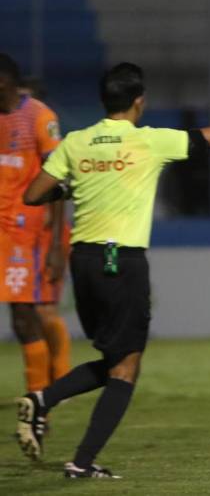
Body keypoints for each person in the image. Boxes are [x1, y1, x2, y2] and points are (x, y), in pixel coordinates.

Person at [14, 62, 210, 477]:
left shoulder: (77, 142)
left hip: (83, 261)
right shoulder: (150, 142)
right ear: (139, 102)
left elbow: (34, 195)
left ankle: (42, 400)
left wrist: (78, 183)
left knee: (116, 360)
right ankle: (81, 460)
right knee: (126, 366)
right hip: (120, 260)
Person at [0, 56, 71, 426]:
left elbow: (58, 179)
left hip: (29, 232)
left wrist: (58, 242)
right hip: (5, 233)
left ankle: (42, 396)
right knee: (26, 316)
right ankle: (43, 394)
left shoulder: (39, 118)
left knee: (31, 314)